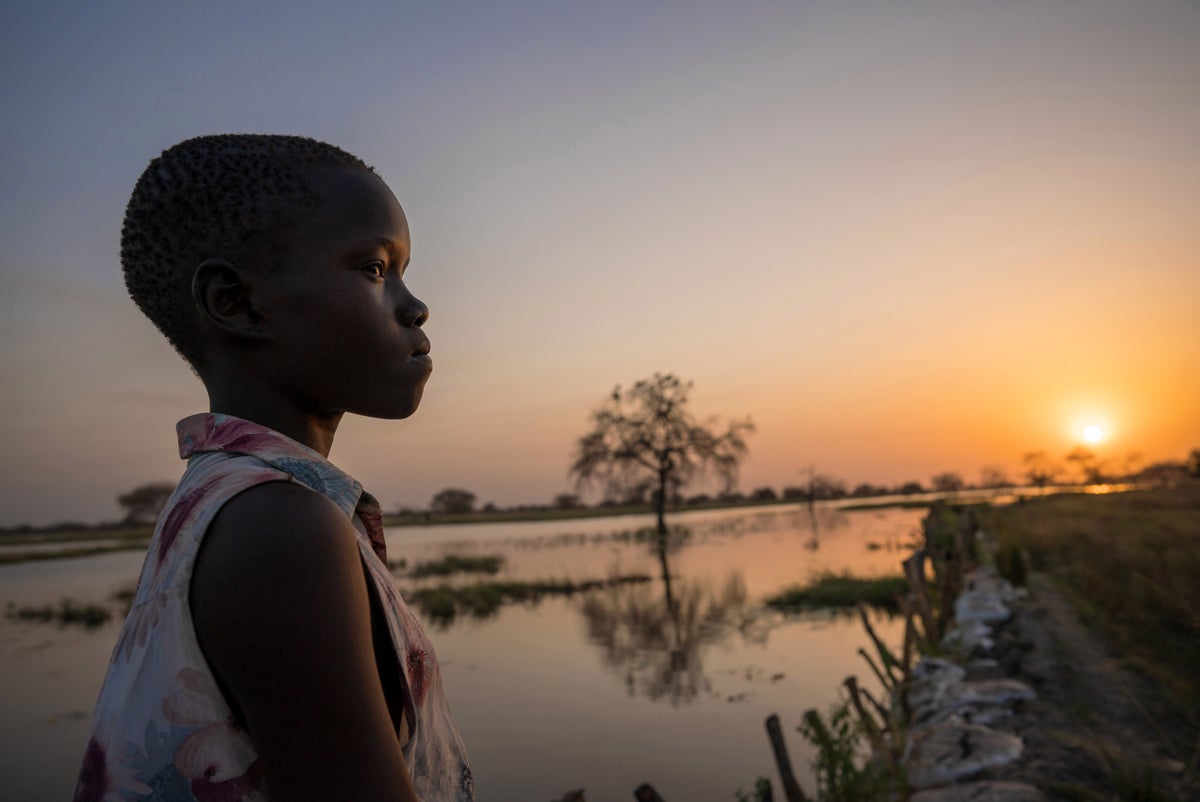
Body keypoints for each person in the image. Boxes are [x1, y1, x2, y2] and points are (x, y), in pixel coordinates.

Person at [73, 135, 473, 802]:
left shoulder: (227, 502)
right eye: (376, 270)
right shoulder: (279, 527)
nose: (415, 307)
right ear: (236, 303)